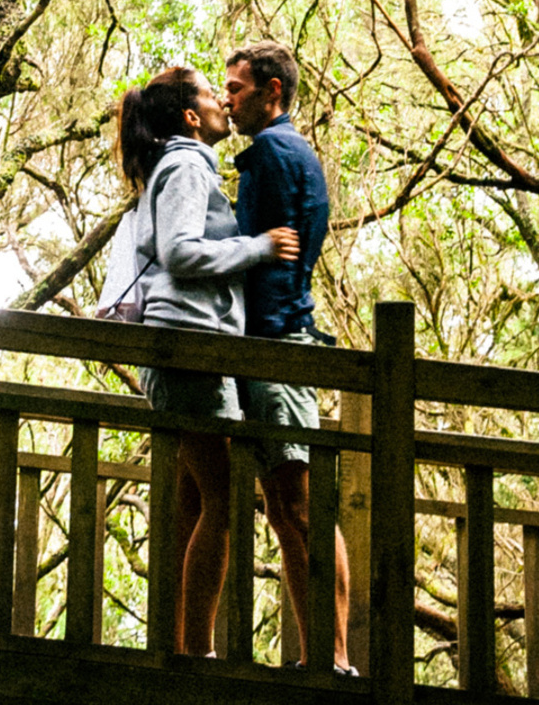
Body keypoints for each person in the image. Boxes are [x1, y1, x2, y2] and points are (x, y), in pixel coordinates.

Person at [117, 65, 299, 656]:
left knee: (197, 501)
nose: (224, 101)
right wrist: (259, 247)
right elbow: (179, 251)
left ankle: (178, 647)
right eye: (210, 95)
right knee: (225, 502)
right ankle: (196, 655)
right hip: (187, 347)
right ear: (192, 118)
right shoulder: (189, 163)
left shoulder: (177, 165)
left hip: (189, 346)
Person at [224, 38, 353, 674]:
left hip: (275, 344)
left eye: (237, 88)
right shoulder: (286, 151)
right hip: (275, 340)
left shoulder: (276, 153)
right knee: (283, 505)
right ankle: (321, 656)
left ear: (273, 91)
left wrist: (260, 344)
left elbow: (279, 255)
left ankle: (330, 657)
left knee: (298, 505)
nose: (228, 99)